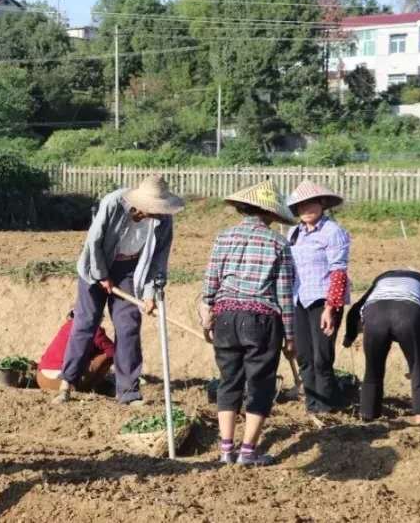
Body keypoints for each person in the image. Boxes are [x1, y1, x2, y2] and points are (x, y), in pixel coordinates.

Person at [55, 175, 184, 406]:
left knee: (128, 326)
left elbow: (159, 258)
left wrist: (150, 293)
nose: (156, 213)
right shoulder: (113, 203)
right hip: (96, 264)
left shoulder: (163, 219)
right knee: (86, 322)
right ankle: (67, 383)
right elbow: (94, 241)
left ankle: (128, 393)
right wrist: (101, 275)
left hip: (129, 270)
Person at [198, 180, 296, 466]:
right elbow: (284, 294)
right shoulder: (278, 243)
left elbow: (210, 283)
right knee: (260, 385)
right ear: (271, 213)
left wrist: (208, 317)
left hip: (226, 316)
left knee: (229, 381)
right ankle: (248, 451)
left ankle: (226, 449)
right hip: (261, 319)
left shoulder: (224, 237)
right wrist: (290, 336)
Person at [286, 180, 351, 415]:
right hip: (298, 299)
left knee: (322, 357)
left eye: (311, 204)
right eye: (301, 205)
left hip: (323, 301)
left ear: (322, 204)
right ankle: (312, 406)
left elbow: (338, 271)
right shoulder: (293, 233)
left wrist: (330, 308)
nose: (306, 209)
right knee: (304, 356)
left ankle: (325, 407)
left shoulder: (333, 232)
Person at [343, 270, 420, 425]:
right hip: (408, 313)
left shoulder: (382, 279)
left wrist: (349, 337)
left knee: (372, 370)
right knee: (418, 370)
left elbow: (356, 309)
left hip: (376, 316)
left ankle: (368, 417)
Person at [37, 311, 115, 394]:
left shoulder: (67, 326)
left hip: (42, 379)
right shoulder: (92, 327)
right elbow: (113, 351)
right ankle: (93, 386)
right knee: (109, 355)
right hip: (62, 382)